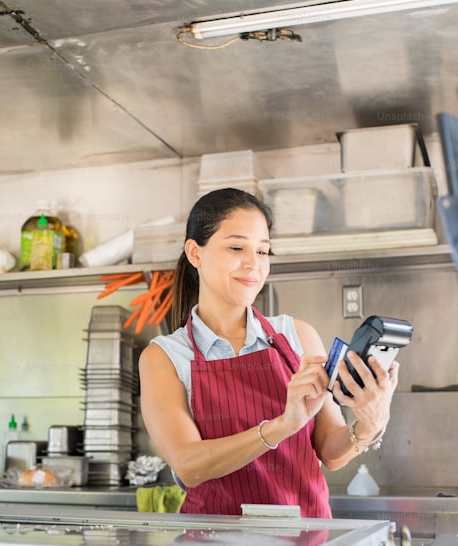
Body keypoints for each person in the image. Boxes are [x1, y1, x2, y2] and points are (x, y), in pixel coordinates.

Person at [138, 188, 400, 518]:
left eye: (263, 252)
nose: (254, 264)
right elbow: (189, 466)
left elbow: (331, 453)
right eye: (237, 247)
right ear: (195, 253)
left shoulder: (298, 336)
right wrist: (281, 426)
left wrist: (368, 424)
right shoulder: (165, 357)